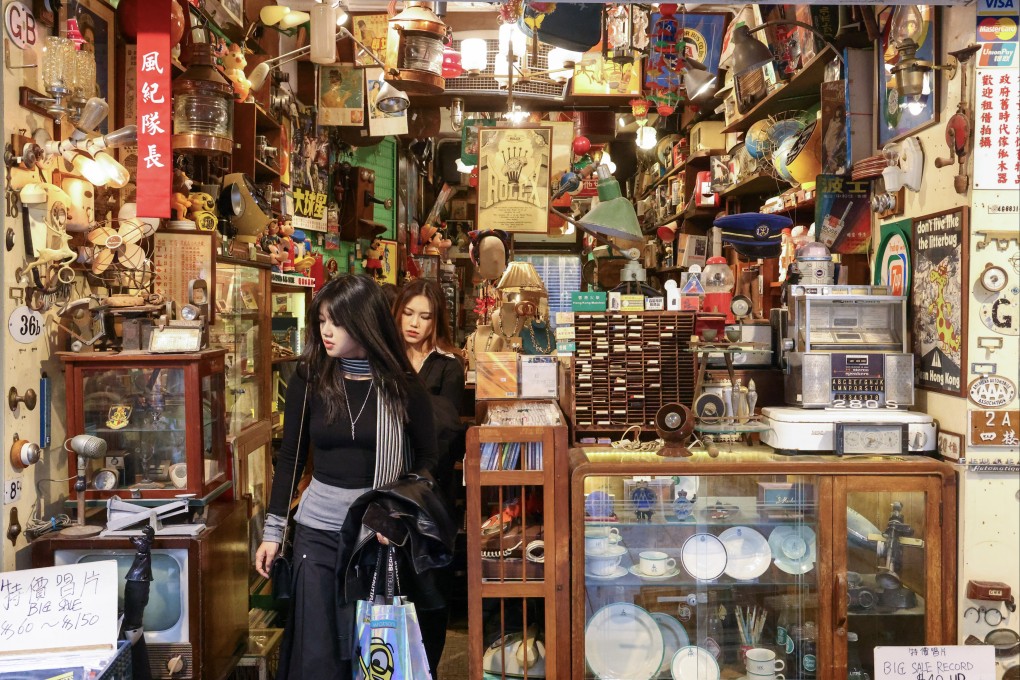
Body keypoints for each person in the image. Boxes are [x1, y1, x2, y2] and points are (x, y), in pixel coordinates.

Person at [254, 274, 439, 680]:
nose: (325, 331)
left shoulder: (402, 385)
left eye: (334, 322)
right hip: (316, 532)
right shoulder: (310, 377)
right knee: (318, 654)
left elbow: (427, 459)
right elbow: (290, 457)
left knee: (372, 651)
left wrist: (398, 513)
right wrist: (273, 531)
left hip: (376, 534)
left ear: (364, 322)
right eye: (321, 320)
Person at [391, 278, 468, 679]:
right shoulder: (381, 357)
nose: (415, 323)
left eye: (425, 316)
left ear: (437, 321)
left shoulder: (448, 365)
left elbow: (444, 429)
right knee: (390, 586)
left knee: (431, 591)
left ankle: (427, 670)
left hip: (430, 496)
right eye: (408, 313)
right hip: (383, 492)